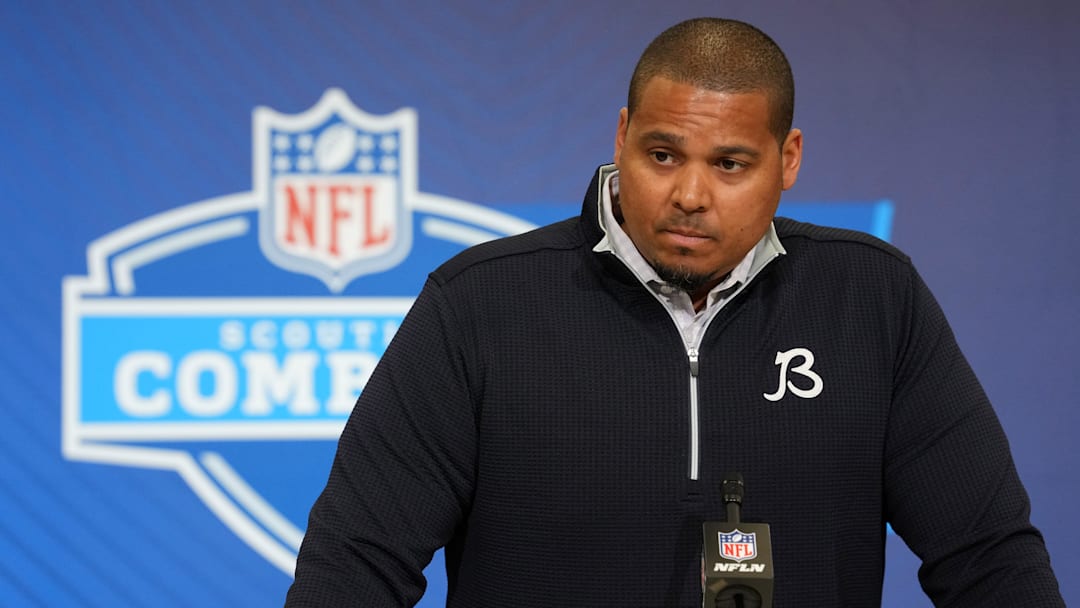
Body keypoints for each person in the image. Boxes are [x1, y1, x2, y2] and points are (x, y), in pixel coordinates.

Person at [285, 17, 1063, 607]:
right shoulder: (480, 305)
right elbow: (355, 565)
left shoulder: (872, 299)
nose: (690, 195)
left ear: (788, 159)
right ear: (622, 137)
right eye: (663, 156)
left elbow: (988, 558)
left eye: (729, 164)